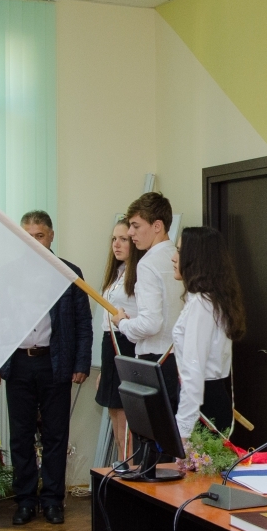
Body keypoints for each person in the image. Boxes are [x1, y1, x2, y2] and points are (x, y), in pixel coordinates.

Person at [0, 211, 93, 526]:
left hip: (55, 362)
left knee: (55, 435)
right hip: (19, 362)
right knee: (20, 436)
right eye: (27, 236)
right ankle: (24, 501)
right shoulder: (7, 274)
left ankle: (52, 501)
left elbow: (83, 323)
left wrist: (81, 362)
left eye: (39, 235)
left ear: (50, 236)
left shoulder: (68, 273)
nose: (33, 241)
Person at [171, 227, 244, 440]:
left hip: (203, 402)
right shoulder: (206, 300)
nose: (173, 258)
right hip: (206, 397)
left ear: (196, 258)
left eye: (179, 251)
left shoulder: (202, 304)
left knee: (199, 462)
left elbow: (193, 370)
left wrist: (183, 429)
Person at [112, 193, 184, 411]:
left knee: (157, 431)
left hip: (157, 361)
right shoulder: (178, 256)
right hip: (180, 359)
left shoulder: (147, 264)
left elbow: (151, 323)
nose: (130, 232)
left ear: (157, 226)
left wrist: (122, 323)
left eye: (136, 226)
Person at [95, 219, 142, 462]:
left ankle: (129, 469)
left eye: (123, 239)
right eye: (114, 239)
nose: (117, 244)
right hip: (110, 346)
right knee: (116, 423)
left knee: (126, 425)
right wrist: (105, 369)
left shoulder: (140, 275)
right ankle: (123, 469)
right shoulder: (116, 274)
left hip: (127, 345)